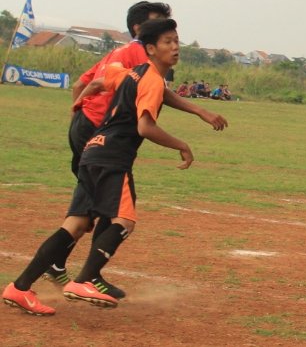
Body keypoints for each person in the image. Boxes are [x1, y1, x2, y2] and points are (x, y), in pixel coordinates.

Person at [2, 19, 196, 315]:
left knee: (76, 225)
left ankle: (19, 288)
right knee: (124, 221)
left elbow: (95, 82)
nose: (175, 47)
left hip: (92, 151)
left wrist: (76, 109)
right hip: (112, 158)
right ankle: (85, 280)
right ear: (150, 48)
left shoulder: (131, 73)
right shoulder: (153, 80)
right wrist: (182, 145)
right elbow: (145, 127)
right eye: (168, 41)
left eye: (176, 41)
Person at [46, 1, 226, 299]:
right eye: (160, 25)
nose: (169, 36)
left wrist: (77, 116)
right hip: (102, 134)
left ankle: (74, 270)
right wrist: (200, 111)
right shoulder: (141, 54)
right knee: (110, 209)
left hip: (90, 129)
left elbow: (81, 84)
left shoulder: (119, 52)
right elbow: (157, 91)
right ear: (140, 29)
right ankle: (82, 275)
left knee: (96, 207)